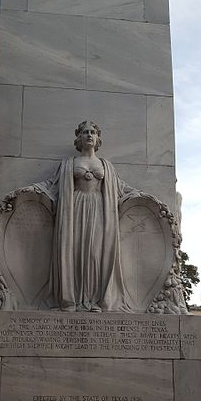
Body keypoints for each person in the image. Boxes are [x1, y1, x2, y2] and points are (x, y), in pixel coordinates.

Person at [26, 121, 141, 312]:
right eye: (85, 132)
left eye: (93, 132)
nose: (89, 135)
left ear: (97, 138)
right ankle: (74, 300)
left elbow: (119, 188)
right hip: (75, 209)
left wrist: (137, 193)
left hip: (99, 210)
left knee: (96, 254)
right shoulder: (69, 164)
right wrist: (34, 188)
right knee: (75, 252)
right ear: (78, 138)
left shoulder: (106, 166)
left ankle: (95, 300)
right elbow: (52, 184)